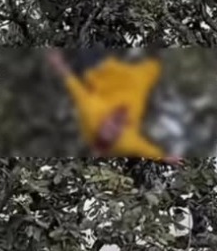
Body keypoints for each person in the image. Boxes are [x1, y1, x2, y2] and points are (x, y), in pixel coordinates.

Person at [46, 48, 182, 165]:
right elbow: (145, 150)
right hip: (141, 77)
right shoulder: (126, 141)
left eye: (107, 127)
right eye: (114, 132)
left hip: (101, 70)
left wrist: (59, 65)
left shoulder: (91, 114)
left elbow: (76, 90)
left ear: (101, 124)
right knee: (162, 58)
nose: (113, 126)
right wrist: (166, 158)